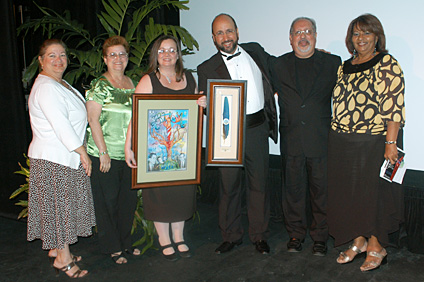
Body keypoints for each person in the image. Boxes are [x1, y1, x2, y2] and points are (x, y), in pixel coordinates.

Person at [327, 14, 405, 272]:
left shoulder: (386, 63)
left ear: (377, 37)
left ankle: (376, 244)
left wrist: (390, 142)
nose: (360, 38)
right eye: (356, 34)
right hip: (342, 142)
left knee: (374, 197)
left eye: (366, 33)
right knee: (351, 196)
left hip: (374, 141)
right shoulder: (344, 65)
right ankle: (358, 240)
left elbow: (394, 106)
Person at [197, 13, 278, 254]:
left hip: (257, 129)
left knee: (259, 185)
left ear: (237, 32)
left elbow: (280, 65)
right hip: (226, 135)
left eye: (229, 31)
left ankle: (259, 235)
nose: (226, 37)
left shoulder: (255, 51)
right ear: (213, 38)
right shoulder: (206, 67)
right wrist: (205, 104)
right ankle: (231, 235)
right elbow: (210, 103)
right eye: (220, 33)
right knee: (228, 186)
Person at [269, 17, 341, 256]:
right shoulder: (277, 66)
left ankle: (320, 237)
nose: (303, 36)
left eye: (308, 31)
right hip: (292, 140)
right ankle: (295, 235)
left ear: (316, 35)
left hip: (320, 140)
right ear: (290, 38)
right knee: (293, 192)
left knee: (322, 192)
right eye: (298, 32)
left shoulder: (333, 63)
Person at [125, 35, 198, 261]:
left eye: (172, 50)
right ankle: (163, 239)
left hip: (183, 151)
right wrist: (129, 147)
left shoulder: (190, 79)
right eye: (162, 50)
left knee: (181, 193)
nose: (167, 54)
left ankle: (179, 236)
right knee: (159, 194)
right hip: (154, 151)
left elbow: (196, 114)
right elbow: (135, 115)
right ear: (156, 55)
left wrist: (202, 104)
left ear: (178, 54)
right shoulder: (148, 80)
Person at [27, 39, 95, 278]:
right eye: (52, 56)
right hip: (54, 158)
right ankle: (63, 260)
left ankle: (57, 249)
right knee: (60, 210)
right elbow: (60, 125)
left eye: (62, 55)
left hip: (64, 156)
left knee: (59, 208)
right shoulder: (46, 87)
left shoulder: (59, 83)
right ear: (41, 60)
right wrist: (82, 151)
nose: (59, 60)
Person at [85, 36, 139, 264]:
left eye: (122, 54)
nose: (118, 59)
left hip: (128, 155)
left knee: (127, 202)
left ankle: (125, 242)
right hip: (104, 154)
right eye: (113, 55)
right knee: (107, 202)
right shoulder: (100, 85)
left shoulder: (133, 84)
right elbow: (92, 119)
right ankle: (112, 247)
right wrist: (103, 152)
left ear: (128, 58)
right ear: (105, 59)